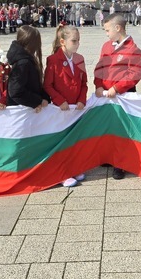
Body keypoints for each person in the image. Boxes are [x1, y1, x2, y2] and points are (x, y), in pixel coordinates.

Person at [94, 13, 141, 180]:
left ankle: (121, 163)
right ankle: (109, 156)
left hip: (123, 95)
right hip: (106, 96)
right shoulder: (106, 47)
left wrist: (117, 87)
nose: (106, 33)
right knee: (108, 127)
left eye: (107, 30)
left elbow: (134, 74)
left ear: (118, 28)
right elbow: (99, 67)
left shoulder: (133, 50)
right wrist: (98, 85)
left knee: (122, 129)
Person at [45, 24, 88, 188]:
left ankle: (74, 167)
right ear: (62, 41)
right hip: (61, 109)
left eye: (78, 41)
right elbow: (48, 85)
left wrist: (81, 100)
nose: (77, 44)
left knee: (74, 140)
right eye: (74, 41)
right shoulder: (53, 60)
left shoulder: (80, 59)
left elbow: (84, 83)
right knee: (62, 141)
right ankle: (62, 173)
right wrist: (59, 100)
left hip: (75, 108)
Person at [6, 25, 50, 112]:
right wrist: (37, 101)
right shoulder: (23, 63)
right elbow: (16, 91)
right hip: (22, 111)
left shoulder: (25, 59)